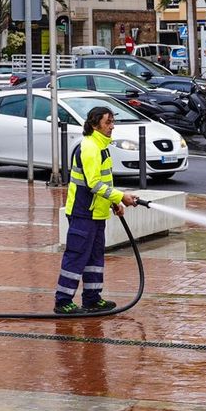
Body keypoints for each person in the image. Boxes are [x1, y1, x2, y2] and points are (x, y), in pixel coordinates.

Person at [54, 105, 139, 315]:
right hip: (83, 212)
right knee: (76, 256)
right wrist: (121, 197)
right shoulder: (90, 148)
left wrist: (113, 203)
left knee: (94, 259)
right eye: (108, 122)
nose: (112, 127)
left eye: (113, 122)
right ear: (94, 125)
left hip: (96, 213)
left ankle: (92, 299)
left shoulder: (102, 146)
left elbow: (104, 182)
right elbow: (93, 184)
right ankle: (63, 301)